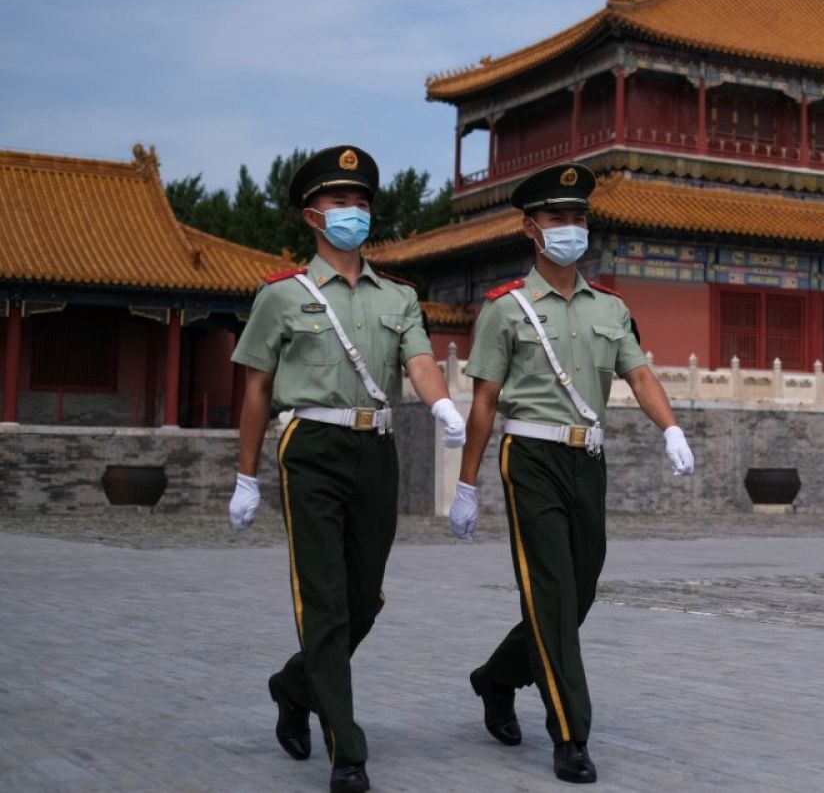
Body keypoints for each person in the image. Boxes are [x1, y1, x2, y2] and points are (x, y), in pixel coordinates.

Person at [228, 145, 468, 793]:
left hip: (377, 452)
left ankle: (294, 684)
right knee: (326, 602)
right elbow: (255, 389)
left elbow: (418, 361)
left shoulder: (399, 296)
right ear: (312, 215)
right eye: (340, 203)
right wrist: (246, 474)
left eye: (361, 203)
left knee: (364, 599)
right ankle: (348, 751)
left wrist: (442, 403)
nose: (352, 213)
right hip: (311, 448)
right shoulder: (281, 297)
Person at [451, 162, 693, 784]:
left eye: (579, 217)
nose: (571, 228)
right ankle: (570, 733)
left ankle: (497, 677)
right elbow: (483, 401)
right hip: (529, 457)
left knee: (577, 594)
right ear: (532, 228)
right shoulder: (506, 310)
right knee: (554, 595)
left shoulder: (609, 308)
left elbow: (639, 374)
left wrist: (670, 428)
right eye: (558, 218)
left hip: (589, 459)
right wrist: (465, 482)